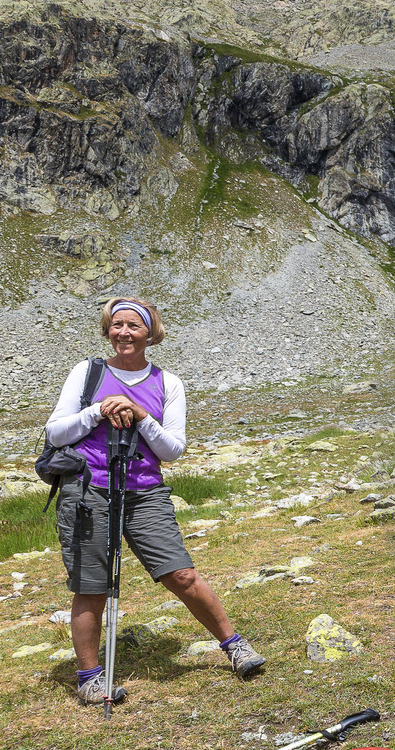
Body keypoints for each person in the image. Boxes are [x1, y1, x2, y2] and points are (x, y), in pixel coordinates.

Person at [45, 298, 266, 706]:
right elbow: (57, 432)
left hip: (144, 491)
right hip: (87, 490)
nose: (123, 333)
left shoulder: (169, 383)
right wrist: (97, 412)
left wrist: (142, 415)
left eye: (133, 326)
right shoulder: (87, 372)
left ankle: (234, 646)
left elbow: (172, 450)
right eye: (116, 325)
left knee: (180, 574)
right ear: (107, 329)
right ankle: (90, 679)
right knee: (91, 585)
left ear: (150, 333)